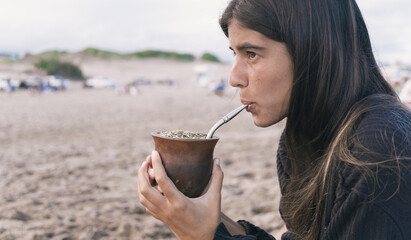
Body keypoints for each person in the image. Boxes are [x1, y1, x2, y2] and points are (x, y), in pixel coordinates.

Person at [137, 0, 411, 239]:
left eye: (252, 54)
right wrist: (202, 217)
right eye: (235, 54)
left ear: (311, 50)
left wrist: (198, 235)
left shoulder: (377, 151)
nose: (234, 78)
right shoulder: (303, 140)